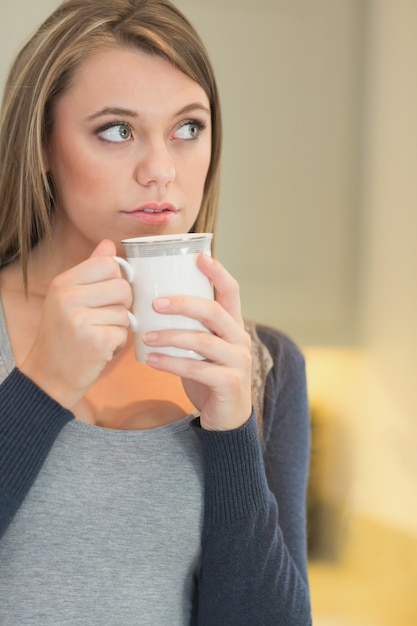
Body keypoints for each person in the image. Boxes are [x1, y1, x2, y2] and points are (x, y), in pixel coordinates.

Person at [0, 0, 312, 623]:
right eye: (117, 130)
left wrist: (231, 433)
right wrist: (40, 388)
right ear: (41, 145)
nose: (162, 171)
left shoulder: (265, 366)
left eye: (188, 127)